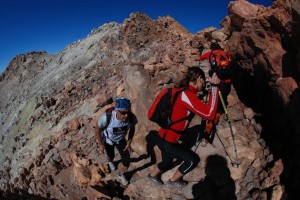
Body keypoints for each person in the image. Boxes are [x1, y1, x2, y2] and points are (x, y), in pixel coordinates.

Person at [147, 67, 220, 187]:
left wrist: (206, 92)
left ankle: (152, 176)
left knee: (167, 161)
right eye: (203, 80)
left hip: (162, 136)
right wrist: (215, 88)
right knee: (193, 160)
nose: (204, 83)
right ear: (199, 79)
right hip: (170, 140)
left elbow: (189, 104)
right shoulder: (187, 95)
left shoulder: (182, 91)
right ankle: (173, 181)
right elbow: (209, 115)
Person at [94, 97, 137, 186]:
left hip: (121, 141)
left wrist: (129, 142)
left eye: (128, 112)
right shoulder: (107, 117)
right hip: (108, 141)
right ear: (117, 110)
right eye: (123, 112)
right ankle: (110, 161)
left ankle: (120, 175)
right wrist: (101, 144)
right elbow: (97, 129)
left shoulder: (131, 117)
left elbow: (132, 128)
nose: (126, 115)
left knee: (127, 161)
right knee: (111, 156)